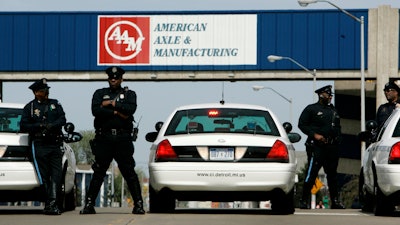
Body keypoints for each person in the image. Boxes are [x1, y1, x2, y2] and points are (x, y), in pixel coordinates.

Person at [80, 66, 145, 215]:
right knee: (99, 172)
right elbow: (96, 111)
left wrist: (112, 104)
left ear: (121, 79)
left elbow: (130, 109)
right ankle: (89, 204)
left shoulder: (129, 94)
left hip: (123, 138)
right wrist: (117, 112)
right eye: (111, 77)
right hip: (104, 138)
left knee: (129, 172)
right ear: (108, 78)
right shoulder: (99, 93)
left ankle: (138, 204)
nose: (113, 79)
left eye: (116, 77)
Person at [20, 78, 67, 215]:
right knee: (44, 176)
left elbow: (62, 119)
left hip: (55, 143)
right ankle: (50, 203)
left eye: (46, 90)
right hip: (40, 144)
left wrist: (52, 126)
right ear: (36, 93)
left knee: (56, 175)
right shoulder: (30, 107)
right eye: (42, 90)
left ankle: (52, 203)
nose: (46, 92)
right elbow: (23, 125)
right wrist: (39, 126)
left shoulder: (55, 104)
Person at [298, 85, 345, 210]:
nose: (330, 97)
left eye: (331, 95)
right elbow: (302, 124)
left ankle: (335, 201)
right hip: (317, 146)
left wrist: (338, 140)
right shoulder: (312, 109)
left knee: (332, 175)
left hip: (332, 147)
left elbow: (337, 127)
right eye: (327, 94)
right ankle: (304, 200)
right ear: (321, 95)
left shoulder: (333, 111)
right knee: (312, 173)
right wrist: (314, 135)